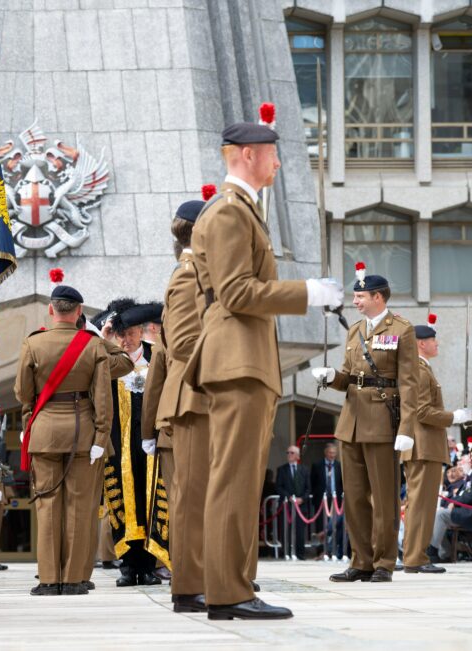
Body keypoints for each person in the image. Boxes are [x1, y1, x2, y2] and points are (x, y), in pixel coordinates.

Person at [183, 118, 343, 620]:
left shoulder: (241, 210)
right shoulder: (230, 213)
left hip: (243, 360)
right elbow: (235, 293)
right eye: (273, 153)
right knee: (233, 478)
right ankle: (228, 593)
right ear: (249, 154)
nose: (278, 162)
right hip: (237, 359)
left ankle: (234, 587)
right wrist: (307, 293)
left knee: (241, 478)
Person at [312, 265, 419, 583]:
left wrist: (407, 429)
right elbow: (348, 377)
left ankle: (385, 561)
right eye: (355, 296)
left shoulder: (401, 329)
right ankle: (361, 560)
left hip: (383, 422)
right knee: (354, 497)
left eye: (360, 296)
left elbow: (410, 383)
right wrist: (332, 377)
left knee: (385, 497)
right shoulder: (354, 330)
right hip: (351, 422)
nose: (355, 301)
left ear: (378, 296)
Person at [15, 283, 113, 596]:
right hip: (82, 432)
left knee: (47, 505)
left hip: (44, 432)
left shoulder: (33, 343)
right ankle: (72, 579)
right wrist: (101, 434)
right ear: (79, 312)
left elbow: (22, 392)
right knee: (79, 507)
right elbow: (102, 396)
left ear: (51, 310)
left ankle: (47, 579)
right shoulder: (92, 344)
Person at [155, 193, 211, 613]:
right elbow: (187, 344)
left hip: (200, 393)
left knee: (202, 494)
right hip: (195, 394)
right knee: (192, 496)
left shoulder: (198, 273)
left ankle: (203, 577)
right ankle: (189, 585)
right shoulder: (190, 275)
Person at [101, 299, 166, 587]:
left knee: (151, 500)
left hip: (152, 443)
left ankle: (149, 566)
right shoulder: (110, 360)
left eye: (130, 333)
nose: (126, 339)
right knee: (125, 503)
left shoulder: (157, 356)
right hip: (120, 442)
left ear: (141, 331)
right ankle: (128, 567)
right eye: (121, 334)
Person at [401, 315, 472, 573]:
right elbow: (422, 411)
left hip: (422, 445)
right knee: (422, 504)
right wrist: (454, 417)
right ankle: (415, 558)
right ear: (421, 344)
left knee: (419, 503)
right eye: (432, 340)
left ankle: (413, 555)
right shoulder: (419, 371)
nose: (437, 344)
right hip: (423, 446)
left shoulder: (421, 368)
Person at [429, 450, 472, 561]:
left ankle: (433, 552)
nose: (471, 461)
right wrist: (454, 502)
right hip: (468, 509)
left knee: (441, 515)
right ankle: (442, 553)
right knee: (438, 514)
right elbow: (468, 493)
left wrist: (454, 502)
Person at [310, 443, 346, 559]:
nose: (332, 455)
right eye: (330, 453)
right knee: (321, 525)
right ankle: (321, 552)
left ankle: (333, 550)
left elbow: (342, 483)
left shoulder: (339, 465)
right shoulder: (317, 465)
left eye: (334, 453)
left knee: (335, 525)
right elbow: (312, 483)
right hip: (322, 500)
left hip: (336, 501)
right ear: (326, 453)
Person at [275, 446, 311, 560]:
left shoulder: (304, 470)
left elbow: (308, 488)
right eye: (288, 453)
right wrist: (289, 497)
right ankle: (286, 552)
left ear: (297, 456)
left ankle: (300, 554)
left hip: (301, 506)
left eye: (292, 453)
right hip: (287, 506)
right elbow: (279, 487)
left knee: (300, 530)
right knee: (286, 530)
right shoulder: (282, 469)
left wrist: (302, 499)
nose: (289, 455)